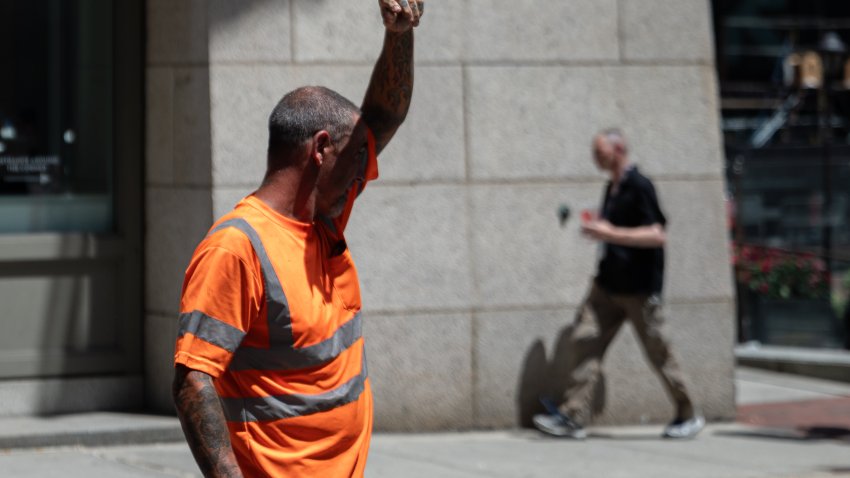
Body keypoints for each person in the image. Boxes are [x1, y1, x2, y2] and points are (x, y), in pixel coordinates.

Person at [171, 1, 423, 476]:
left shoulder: (324, 221)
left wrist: (400, 33)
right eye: (354, 155)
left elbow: (384, 115)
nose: (364, 171)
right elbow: (192, 380)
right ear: (321, 149)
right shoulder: (236, 246)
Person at [533, 129, 705, 440]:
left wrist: (609, 232)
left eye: (600, 151)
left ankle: (688, 413)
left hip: (639, 291)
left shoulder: (640, 185)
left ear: (619, 148)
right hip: (607, 287)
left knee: (659, 354)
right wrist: (600, 232)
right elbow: (615, 232)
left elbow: (657, 235)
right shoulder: (611, 187)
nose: (595, 157)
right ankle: (573, 416)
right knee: (584, 342)